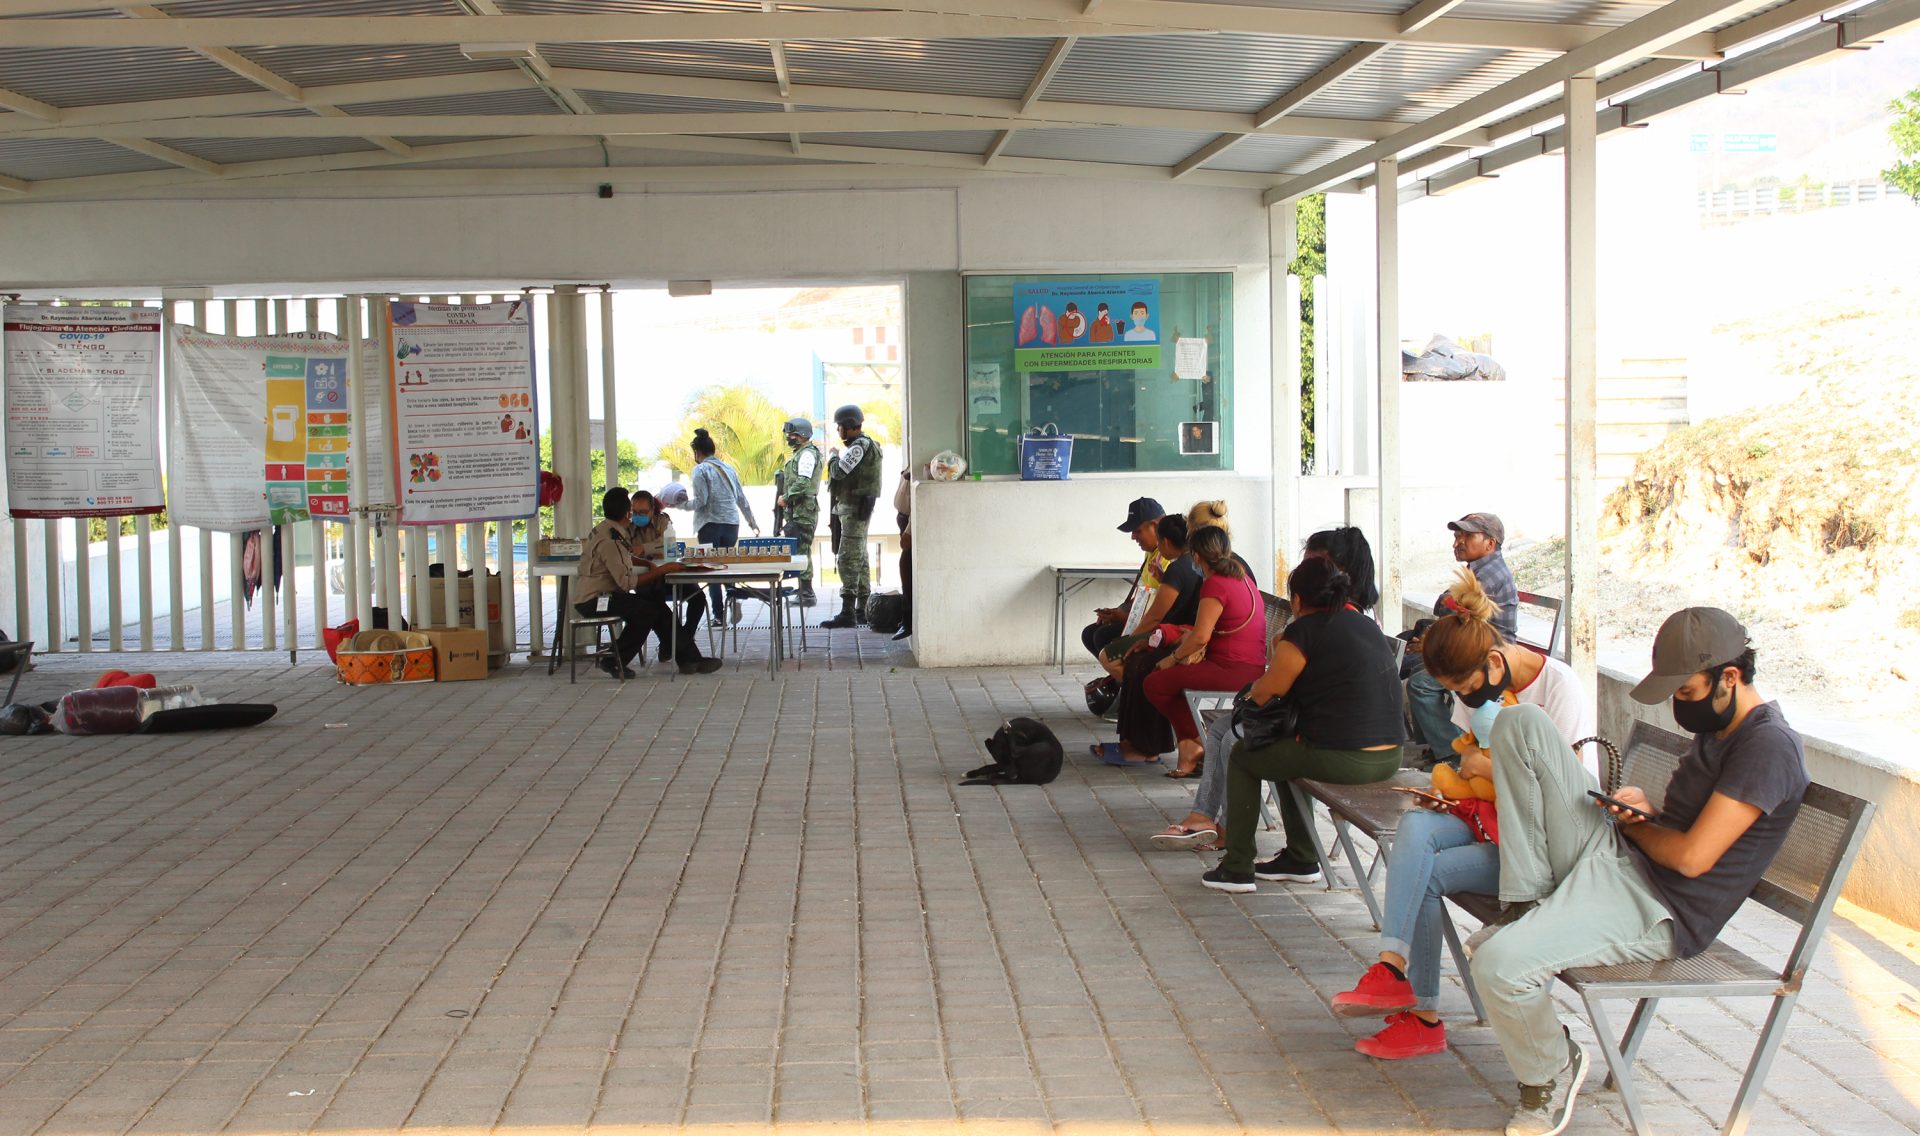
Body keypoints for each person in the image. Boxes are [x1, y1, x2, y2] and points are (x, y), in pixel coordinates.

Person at [1463, 609, 1805, 1136]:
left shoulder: (1767, 747)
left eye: (1685, 691)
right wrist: (1643, 810)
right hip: (1623, 860)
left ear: (1729, 678)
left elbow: (1693, 858)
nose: (1678, 705)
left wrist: (1641, 829)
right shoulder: (1720, 724)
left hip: (1657, 908)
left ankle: (1551, 1071)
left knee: (1499, 965)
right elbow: (1683, 825)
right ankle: (1527, 907)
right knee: (1519, 723)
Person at [1329, 568, 1593, 1062]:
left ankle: (1423, 1016)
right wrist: (1457, 783)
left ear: (1494, 661)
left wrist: (1484, 767)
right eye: (1453, 691)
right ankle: (1392, 969)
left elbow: (1563, 788)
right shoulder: (1480, 686)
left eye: (1466, 687)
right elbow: (1467, 758)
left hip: (1545, 848)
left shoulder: (1560, 688)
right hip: (1493, 820)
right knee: (1416, 825)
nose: (1465, 700)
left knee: (1426, 873)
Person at [1150, 525, 1377, 852]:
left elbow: (1273, 690)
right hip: (1318, 724)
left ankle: (1239, 850)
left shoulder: (1332, 622)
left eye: (1312, 565)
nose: (1304, 570)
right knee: (1225, 729)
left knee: (1237, 742)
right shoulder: (1325, 620)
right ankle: (1204, 816)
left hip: (1334, 738)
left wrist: (1253, 696)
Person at [1201, 555, 1404, 893]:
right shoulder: (1364, 624)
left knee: (1243, 756)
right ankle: (1301, 857)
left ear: (1297, 599)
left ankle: (1237, 866)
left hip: (1347, 759)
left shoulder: (1304, 631)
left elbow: (1267, 692)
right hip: (1389, 755)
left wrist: (1274, 650)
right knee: (1280, 750)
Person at [1141, 525, 1268, 779]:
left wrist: (1172, 658)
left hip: (1231, 670)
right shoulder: (1241, 576)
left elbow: (1200, 637)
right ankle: (1190, 745)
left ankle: (1198, 742)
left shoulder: (1215, 585)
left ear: (1196, 557)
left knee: (1155, 682)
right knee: (1168, 682)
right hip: (1250, 666)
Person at [573, 487, 721, 677]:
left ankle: (689, 659)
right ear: (627, 513)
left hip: (603, 595)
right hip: (595, 600)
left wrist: (645, 563)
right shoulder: (611, 539)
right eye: (633, 511)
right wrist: (662, 570)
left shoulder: (607, 529)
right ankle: (613, 660)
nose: (635, 515)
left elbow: (624, 557)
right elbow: (627, 583)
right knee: (647, 611)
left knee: (655, 608)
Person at [1405, 512, 1518, 759]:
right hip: (1474, 646)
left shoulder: (1490, 573)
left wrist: (1451, 603)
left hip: (1491, 654)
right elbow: (1445, 603)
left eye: (1466, 536)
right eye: (1457, 536)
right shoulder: (1478, 569)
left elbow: (1445, 604)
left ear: (1490, 543)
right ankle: (1435, 747)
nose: (1457, 543)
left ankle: (1450, 754)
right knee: (1418, 670)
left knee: (1422, 683)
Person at [1099, 515, 1201, 765]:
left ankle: (1150, 733)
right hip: (1176, 635)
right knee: (1134, 666)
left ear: (1164, 541)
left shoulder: (1179, 568)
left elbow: (1155, 616)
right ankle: (1144, 730)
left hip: (1176, 638)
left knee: (1124, 660)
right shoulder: (1193, 564)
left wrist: (1129, 639)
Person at [685, 428, 760, 627]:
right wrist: (752, 523)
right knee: (726, 566)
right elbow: (741, 499)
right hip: (731, 524)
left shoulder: (700, 470)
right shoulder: (729, 469)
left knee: (712, 570)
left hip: (710, 524)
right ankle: (732, 596)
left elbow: (701, 501)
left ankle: (718, 616)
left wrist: (681, 505)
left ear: (697, 452)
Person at [820, 404, 883, 630]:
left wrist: (833, 458)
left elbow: (839, 472)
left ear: (848, 426)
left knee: (847, 559)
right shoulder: (865, 445)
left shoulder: (859, 446)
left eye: (839, 427)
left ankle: (848, 612)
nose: (838, 431)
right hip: (855, 510)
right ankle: (862, 609)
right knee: (860, 559)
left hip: (854, 511)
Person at [1080, 497, 1166, 661]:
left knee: (1102, 636)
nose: (1133, 537)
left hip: (1157, 626)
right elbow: (1145, 593)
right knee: (1090, 633)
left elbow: (1162, 610)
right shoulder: (1152, 552)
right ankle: (1118, 679)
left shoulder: (1168, 559)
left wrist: (1126, 619)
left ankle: (1127, 682)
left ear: (1154, 526)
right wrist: (1119, 611)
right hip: (1145, 619)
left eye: (1137, 530)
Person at [774, 416, 823, 608]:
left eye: (792, 434)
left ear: (802, 435)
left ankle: (807, 593)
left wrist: (786, 497)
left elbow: (803, 482)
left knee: (802, 551)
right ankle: (803, 590)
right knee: (799, 550)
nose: (789, 437)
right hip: (798, 511)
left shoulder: (807, 455)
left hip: (803, 511)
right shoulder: (801, 453)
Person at [892, 467, 913, 642]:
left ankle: (908, 621)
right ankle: (906, 620)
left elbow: (919, 498)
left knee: (907, 567)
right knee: (906, 567)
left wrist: (909, 530)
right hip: (903, 517)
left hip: (909, 521)